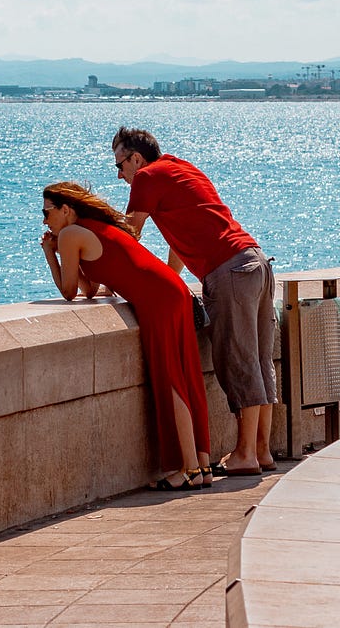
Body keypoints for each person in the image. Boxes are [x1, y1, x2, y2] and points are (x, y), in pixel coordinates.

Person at [111, 127, 276, 476]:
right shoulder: (183, 169)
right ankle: (261, 450)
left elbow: (130, 234)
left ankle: (245, 453)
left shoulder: (147, 178)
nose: (121, 175)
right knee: (259, 359)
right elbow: (183, 236)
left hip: (228, 270)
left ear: (136, 158)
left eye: (120, 165)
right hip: (255, 260)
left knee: (238, 360)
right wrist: (174, 279)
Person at [39, 181, 212, 490]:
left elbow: (68, 292)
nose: (43, 221)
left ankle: (188, 470)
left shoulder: (68, 235)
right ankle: (201, 464)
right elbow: (89, 289)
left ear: (65, 210)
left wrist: (50, 255)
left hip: (156, 299)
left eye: (46, 212)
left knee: (170, 378)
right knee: (186, 374)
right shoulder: (91, 228)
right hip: (171, 289)